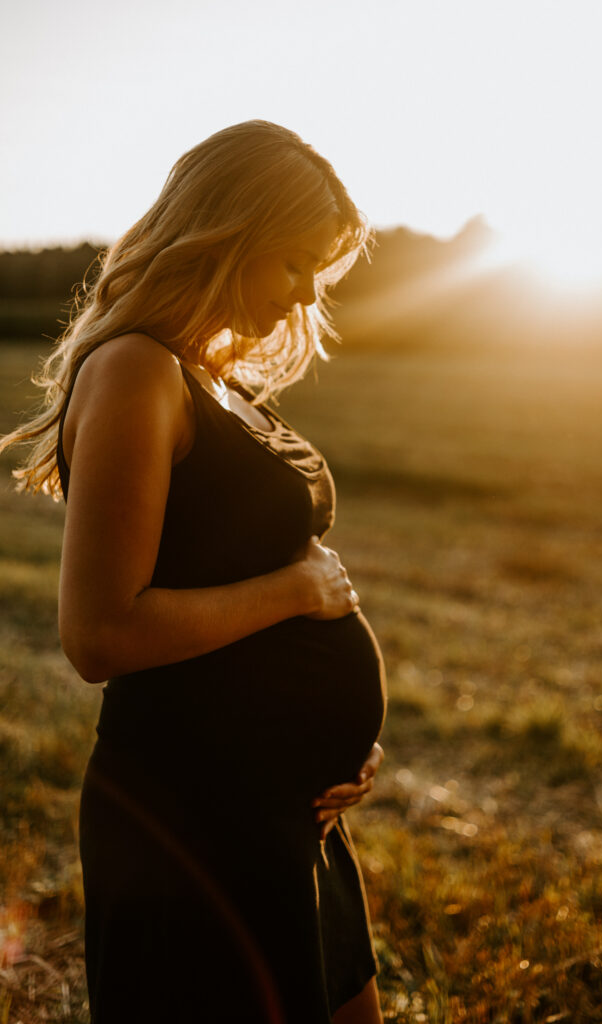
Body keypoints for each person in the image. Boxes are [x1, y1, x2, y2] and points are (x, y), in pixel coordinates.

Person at [1, 121, 387, 1023]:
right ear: (227, 232)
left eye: (317, 269)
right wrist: (296, 592)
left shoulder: (216, 380)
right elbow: (99, 635)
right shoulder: (136, 371)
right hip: (191, 821)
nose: (305, 294)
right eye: (293, 262)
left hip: (281, 812)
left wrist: (335, 746)